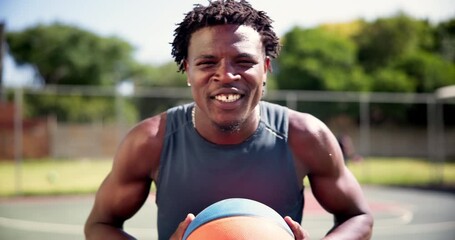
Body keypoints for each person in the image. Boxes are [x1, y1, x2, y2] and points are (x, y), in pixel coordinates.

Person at [84, 1, 373, 239]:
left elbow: (358, 217)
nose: (226, 75)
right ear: (187, 70)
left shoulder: (305, 135)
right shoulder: (149, 141)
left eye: (244, 62)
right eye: (207, 62)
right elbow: (100, 225)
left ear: (266, 68)